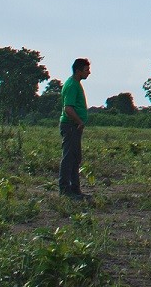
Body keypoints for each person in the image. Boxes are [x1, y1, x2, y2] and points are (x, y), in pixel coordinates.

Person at [58, 57, 91, 200]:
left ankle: (75, 190)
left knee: (75, 158)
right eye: (86, 70)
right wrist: (79, 122)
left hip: (74, 126)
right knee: (68, 158)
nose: (89, 72)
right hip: (71, 125)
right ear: (78, 71)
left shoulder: (76, 84)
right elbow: (68, 109)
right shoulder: (72, 85)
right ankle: (65, 190)